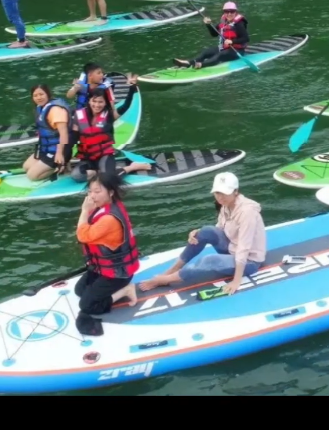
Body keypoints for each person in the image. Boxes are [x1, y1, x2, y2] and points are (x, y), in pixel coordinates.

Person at [138, 172, 267, 296]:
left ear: (236, 191)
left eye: (225, 193)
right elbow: (219, 229)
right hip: (232, 248)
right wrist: (198, 233)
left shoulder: (247, 213)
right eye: (217, 193)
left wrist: (236, 281)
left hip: (249, 261)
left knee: (209, 260)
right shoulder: (226, 205)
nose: (220, 197)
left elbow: (244, 249)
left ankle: (165, 279)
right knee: (205, 231)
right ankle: (172, 270)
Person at [74, 171, 140, 336]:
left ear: (110, 192)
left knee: (86, 306)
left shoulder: (109, 219)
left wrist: (84, 211)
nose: (92, 196)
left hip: (117, 274)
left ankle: (125, 291)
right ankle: (116, 290)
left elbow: (82, 236)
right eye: (90, 191)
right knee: (79, 290)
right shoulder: (107, 206)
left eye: (97, 191)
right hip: (102, 267)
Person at [70, 82, 151, 183]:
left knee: (107, 179)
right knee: (76, 176)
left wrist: (131, 88)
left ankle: (131, 167)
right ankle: (97, 172)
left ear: (105, 103)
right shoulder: (78, 116)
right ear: (89, 101)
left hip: (105, 155)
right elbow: (73, 138)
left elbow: (125, 106)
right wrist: (65, 159)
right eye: (94, 101)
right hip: (87, 158)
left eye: (100, 102)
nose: (97, 105)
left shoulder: (109, 115)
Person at [173, 1, 249, 69]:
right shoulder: (224, 21)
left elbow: (246, 38)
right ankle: (189, 62)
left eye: (232, 11)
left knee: (220, 55)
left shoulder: (239, 24)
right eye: (226, 11)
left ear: (235, 12)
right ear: (224, 12)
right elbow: (214, 34)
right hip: (225, 48)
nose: (229, 14)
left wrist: (232, 41)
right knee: (206, 52)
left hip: (237, 51)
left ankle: (201, 65)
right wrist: (208, 25)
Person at [24, 84, 71, 181]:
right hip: (46, 149)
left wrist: (59, 153)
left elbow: (64, 134)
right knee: (26, 167)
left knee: (32, 176)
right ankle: (54, 166)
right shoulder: (40, 107)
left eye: (41, 94)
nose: (38, 98)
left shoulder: (56, 110)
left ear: (48, 94)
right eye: (35, 95)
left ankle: (61, 166)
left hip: (59, 150)